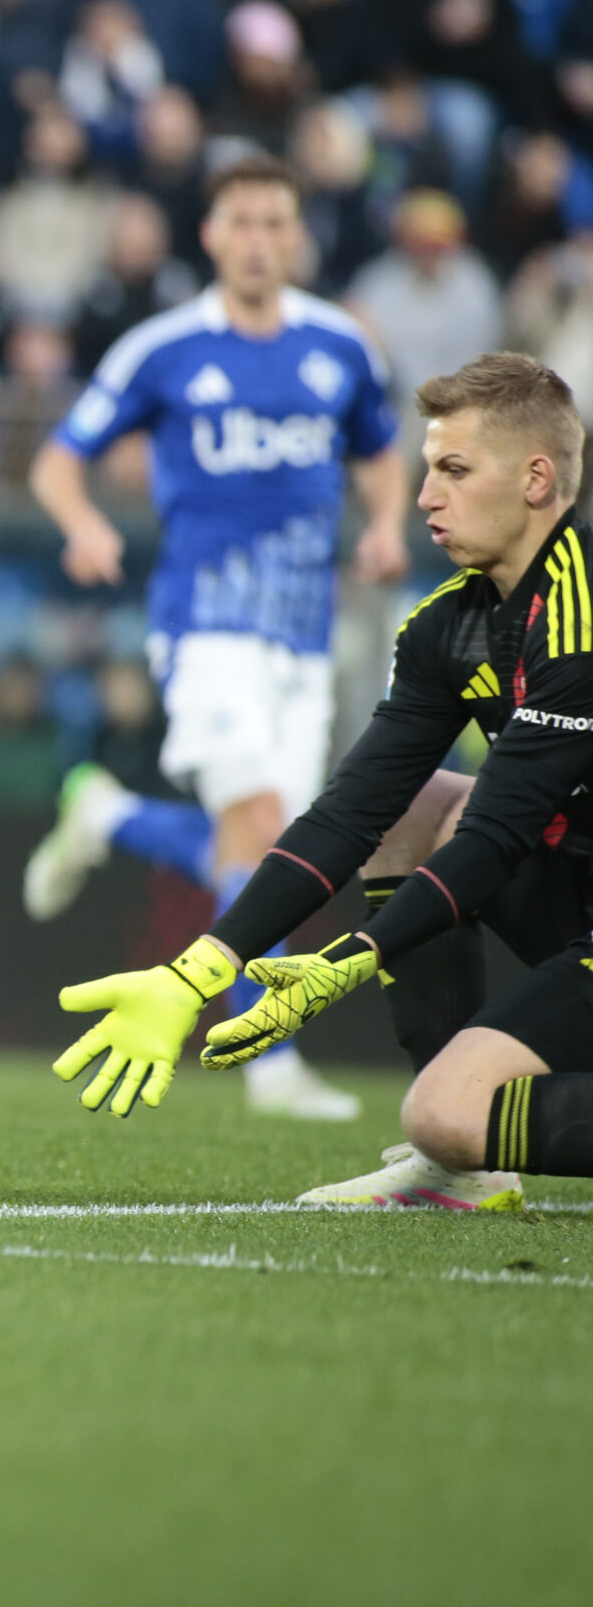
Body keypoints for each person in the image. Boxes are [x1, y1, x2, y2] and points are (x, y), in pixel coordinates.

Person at [56, 353, 593, 1211]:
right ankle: (460, 1173)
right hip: (576, 899)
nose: (424, 496)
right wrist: (199, 970)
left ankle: (452, 1143)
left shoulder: (581, 613)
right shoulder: (447, 627)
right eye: (427, 469)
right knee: (413, 809)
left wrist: (350, 958)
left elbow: (495, 837)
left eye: (454, 470)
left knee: (447, 1113)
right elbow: (352, 810)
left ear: (536, 480)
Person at [21, 153, 410, 1122]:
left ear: (297, 235)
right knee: (264, 823)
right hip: (204, 627)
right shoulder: (162, 348)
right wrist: (84, 524)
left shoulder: (340, 346)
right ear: (210, 234)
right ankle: (266, 1061)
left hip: (304, 636)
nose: (258, 241)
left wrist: (383, 524)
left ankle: (110, 815)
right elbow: (58, 460)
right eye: (241, 222)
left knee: (276, 851)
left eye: (275, 223)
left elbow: (378, 450)